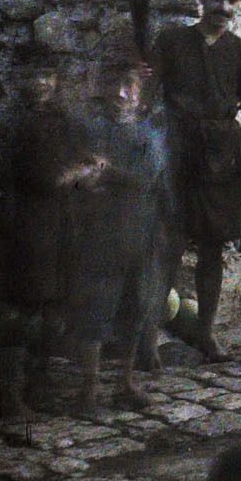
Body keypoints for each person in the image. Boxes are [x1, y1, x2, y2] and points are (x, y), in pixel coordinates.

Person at [152, 0, 241, 361]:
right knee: (167, 246)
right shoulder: (171, 41)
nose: (223, 6)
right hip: (179, 156)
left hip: (220, 160)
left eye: (232, 0)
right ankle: (148, 338)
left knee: (213, 248)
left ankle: (205, 331)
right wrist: (155, 155)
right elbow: (150, 99)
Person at [0, 52, 99, 426]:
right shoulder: (10, 123)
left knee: (52, 306)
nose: (40, 82)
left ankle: (38, 386)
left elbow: (91, 163)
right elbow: (44, 176)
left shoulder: (64, 121)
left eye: (46, 75)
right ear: (17, 79)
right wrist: (78, 171)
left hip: (60, 226)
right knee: (21, 308)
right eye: (31, 74)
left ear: (56, 80)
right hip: (23, 226)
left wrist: (86, 170)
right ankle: (10, 393)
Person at [67, 55, 173, 416]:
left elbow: (148, 177)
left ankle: (125, 382)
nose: (121, 93)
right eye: (114, 84)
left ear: (141, 94)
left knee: (137, 305)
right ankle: (88, 390)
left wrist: (107, 171)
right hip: (100, 232)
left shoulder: (150, 135)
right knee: (97, 308)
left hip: (140, 229)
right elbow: (78, 174)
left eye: (130, 85)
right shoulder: (90, 129)